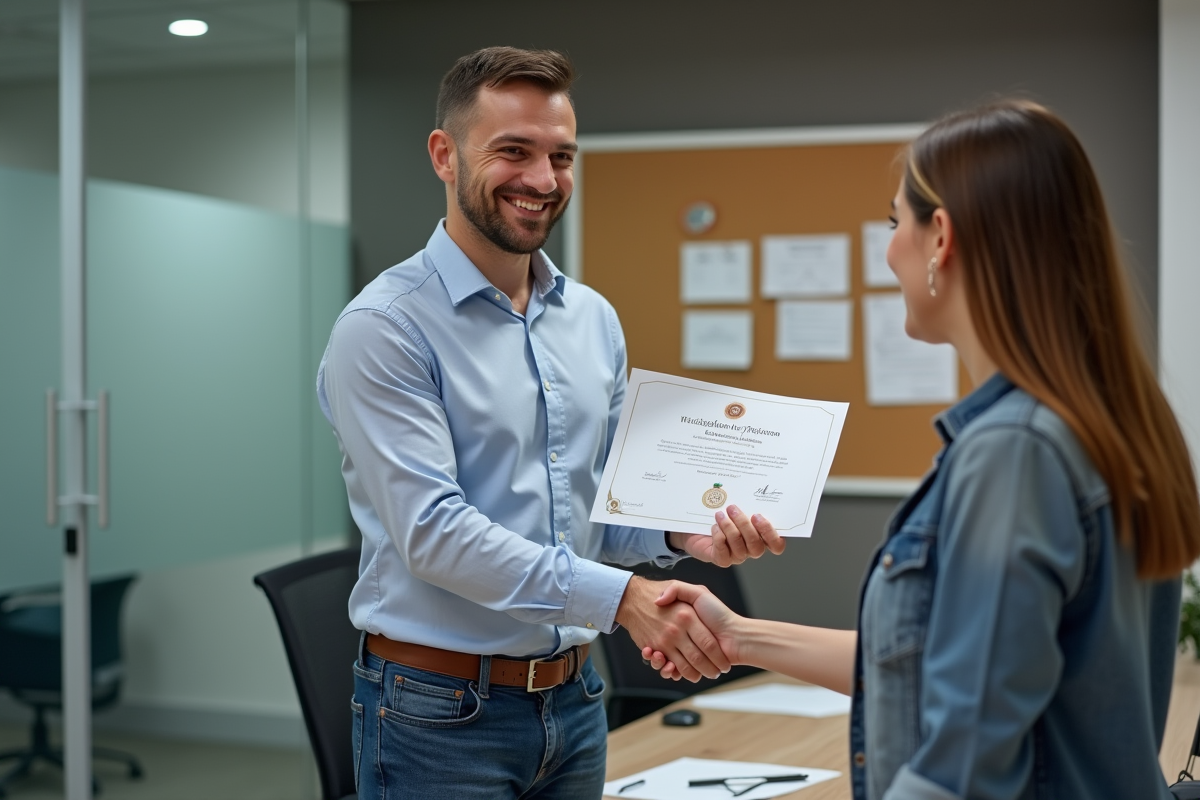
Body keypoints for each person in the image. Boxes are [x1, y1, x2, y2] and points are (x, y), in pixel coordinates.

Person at [644, 100, 1200, 800]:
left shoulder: (1015, 453)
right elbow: (948, 665)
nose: (889, 251)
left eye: (894, 222)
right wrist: (741, 638)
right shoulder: (1106, 421)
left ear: (941, 237)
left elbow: (961, 767)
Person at [316, 46, 784, 800]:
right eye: (513, 151)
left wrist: (679, 533)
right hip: (437, 715)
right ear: (444, 155)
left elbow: (593, 508)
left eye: (561, 156)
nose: (542, 180)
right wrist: (622, 600)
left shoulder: (591, 319)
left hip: (574, 699)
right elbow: (434, 534)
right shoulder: (385, 328)